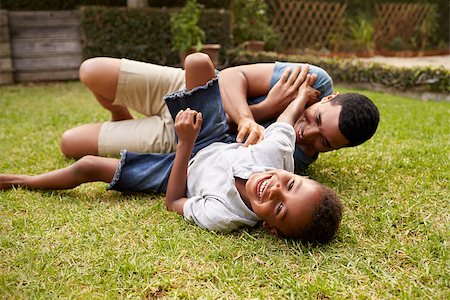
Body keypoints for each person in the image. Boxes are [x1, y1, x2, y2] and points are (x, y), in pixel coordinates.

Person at [0, 53, 342, 243]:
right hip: (214, 137)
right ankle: (123, 115)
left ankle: (25, 181)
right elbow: (285, 122)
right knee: (197, 62)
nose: (275, 188)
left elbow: (173, 201)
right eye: (291, 183)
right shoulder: (279, 156)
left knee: (88, 165)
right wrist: (298, 98)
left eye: (279, 208)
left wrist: (185, 145)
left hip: (178, 169)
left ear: (269, 227)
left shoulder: (225, 216)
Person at [61, 56, 379, 173]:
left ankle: (128, 127)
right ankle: (120, 115)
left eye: (324, 143)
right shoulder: (312, 80)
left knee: (70, 144)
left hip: (184, 133)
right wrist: (248, 118)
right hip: (189, 87)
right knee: (91, 70)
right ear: (330, 97)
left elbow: (218, 141)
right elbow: (231, 77)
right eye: (317, 119)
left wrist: (262, 110)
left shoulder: (293, 158)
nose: (307, 134)